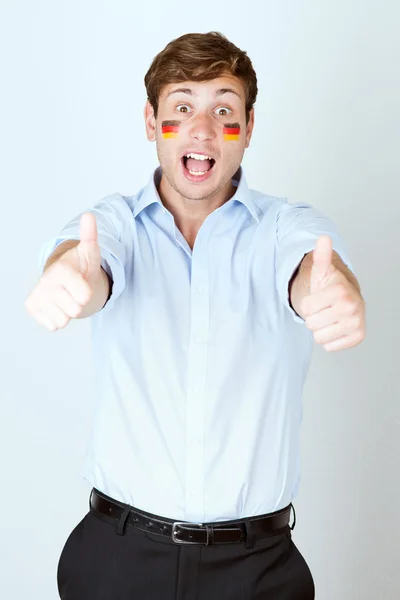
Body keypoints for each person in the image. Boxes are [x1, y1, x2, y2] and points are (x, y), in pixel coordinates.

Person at [25, 31, 366, 600]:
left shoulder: (286, 227)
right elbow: (90, 264)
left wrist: (326, 295)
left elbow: (312, 271)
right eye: (181, 107)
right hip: (117, 559)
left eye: (224, 110)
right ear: (151, 122)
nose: (202, 129)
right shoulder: (115, 225)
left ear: (249, 128)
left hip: (258, 572)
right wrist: (72, 278)